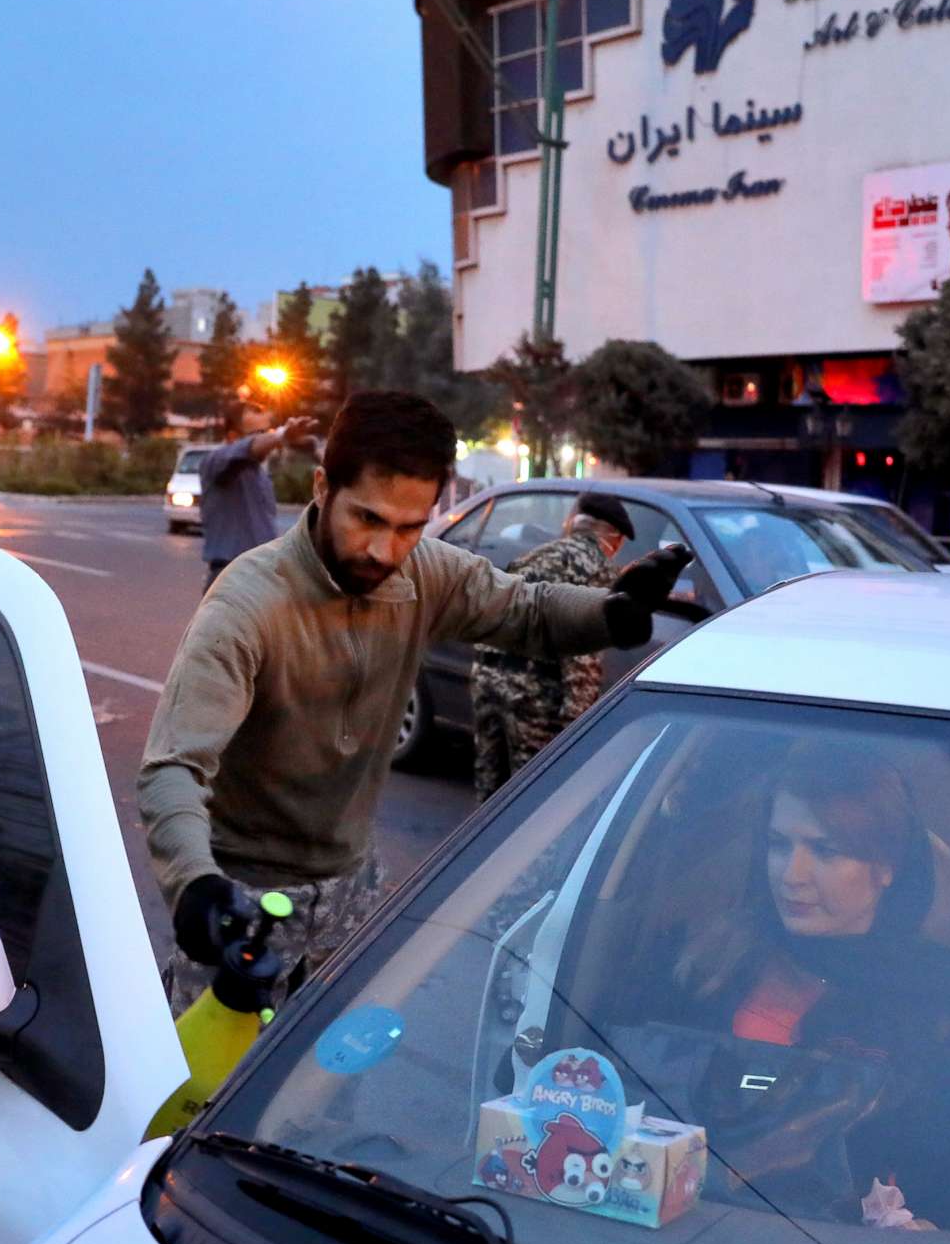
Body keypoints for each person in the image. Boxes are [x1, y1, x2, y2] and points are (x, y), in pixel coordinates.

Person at [140, 390, 690, 1013]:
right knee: (210, 1098)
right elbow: (173, 768)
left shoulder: (422, 571)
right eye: (368, 520)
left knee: (329, 1094)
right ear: (323, 486)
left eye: (409, 528)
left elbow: (525, 609)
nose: (385, 551)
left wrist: (615, 611)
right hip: (244, 900)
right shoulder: (246, 604)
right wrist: (194, 886)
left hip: (352, 893)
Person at [652, 745, 950, 1230]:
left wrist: (932, 1234)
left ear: (886, 867)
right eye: (778, 845)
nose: (791, 875)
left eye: (825, 850)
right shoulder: (710, 964)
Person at [469, 493, 635, 797]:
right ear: (615, 538)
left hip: (486, 681)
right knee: (530, 798)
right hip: (531, 694)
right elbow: (582, 657)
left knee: (489, 796)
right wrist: (575, 732)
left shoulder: (533, 556)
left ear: (574, 525)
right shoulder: (596, 569)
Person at [199, 397, 317, 590]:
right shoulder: (215, 462)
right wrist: (280, 435)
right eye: (257, 434)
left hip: (262, 575)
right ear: (232, 437)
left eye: (267, 431)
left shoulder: (259, 473)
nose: (266, 439)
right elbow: (245, 449)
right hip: (231, 577)